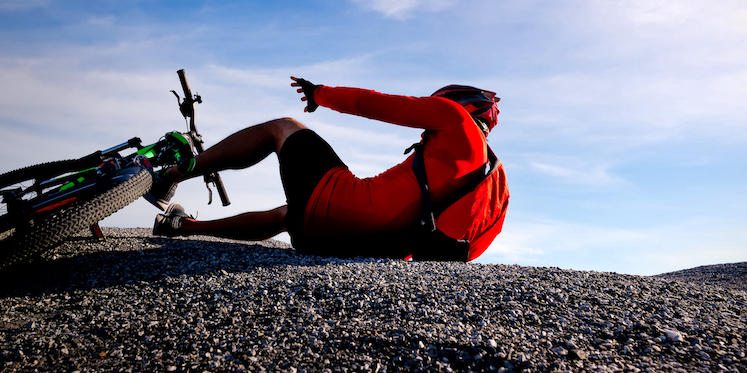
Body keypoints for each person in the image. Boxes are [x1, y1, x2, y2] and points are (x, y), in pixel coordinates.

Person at [150, 77, 509, 261]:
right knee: (290, 213)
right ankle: (180, 226)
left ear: (459, 104)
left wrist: (320, 93)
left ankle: (170, 177)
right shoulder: (495, 183)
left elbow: (374, 104)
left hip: (350, 209)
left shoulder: (455, 119)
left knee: (283, 127)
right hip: (368, 246)